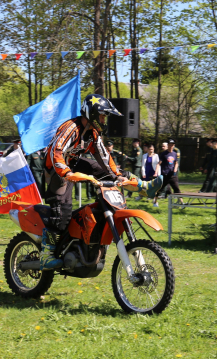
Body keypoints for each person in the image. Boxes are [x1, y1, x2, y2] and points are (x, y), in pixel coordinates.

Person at [41, 94, 162, 270]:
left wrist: (118, 175)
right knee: (61, 214)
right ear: (92, 113)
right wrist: (67, 173)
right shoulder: (71, 128)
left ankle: (144, 187)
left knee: (112, 174)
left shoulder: (93, 133)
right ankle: (46, 254)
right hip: (56, 171)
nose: (104, 120)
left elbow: (104, 158)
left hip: (73, 163)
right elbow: (55, 152)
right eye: (103, 116)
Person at [153, 138, 183, 207]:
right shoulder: (164, 154)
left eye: (172, 145)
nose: (171, 146)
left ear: (174, 145)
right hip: (165, 175)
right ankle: (155, 202)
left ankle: (182, 203)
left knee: (177, 189)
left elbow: (176, 163)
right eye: (169, 145)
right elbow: (158, 164)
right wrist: (156, 172)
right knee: (159, 189)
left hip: (172, 175)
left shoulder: (175, 154)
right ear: (168, 145)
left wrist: (175, 168)